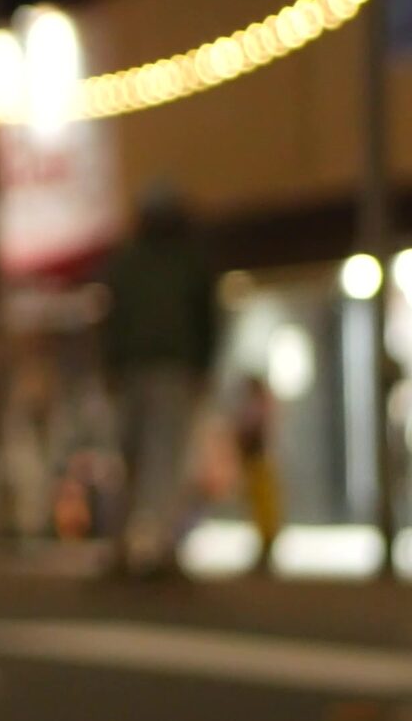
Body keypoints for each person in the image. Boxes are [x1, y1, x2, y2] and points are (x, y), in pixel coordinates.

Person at [96, 182, 222, 578]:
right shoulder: (187, 259)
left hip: (140, 368)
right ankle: (157, 547)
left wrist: (112, 366)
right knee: (162, 464)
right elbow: (207, 320)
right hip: (170, 368)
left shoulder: (129, 260)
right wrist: (203, 367)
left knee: (132, 461)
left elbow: (110, 318)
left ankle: (126, 547)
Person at [233, 374, 281, 574]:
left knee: (264, 503)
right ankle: (265, 546)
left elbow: (251, 432)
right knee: (259, 503)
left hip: (258, 459)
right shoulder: (258, 407)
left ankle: (267, 545)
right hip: (255, 460)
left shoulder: (259, 408)